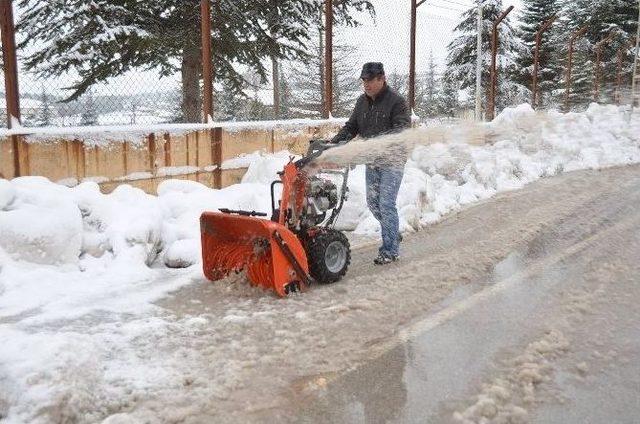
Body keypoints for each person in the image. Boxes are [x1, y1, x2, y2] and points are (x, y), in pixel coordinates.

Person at [331, 62, 411, 265]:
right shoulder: (362, 102)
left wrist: (376, 145)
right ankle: (392, 232)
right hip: (372, 160)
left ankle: (390, 250)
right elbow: (352, 127)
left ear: (381, 79)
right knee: (373, 204)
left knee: (385, 203)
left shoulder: (397, 102)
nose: (366, 84)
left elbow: (401, 131)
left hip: (392, 159)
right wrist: (334, 144)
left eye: (370, 80)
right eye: (364, 80)